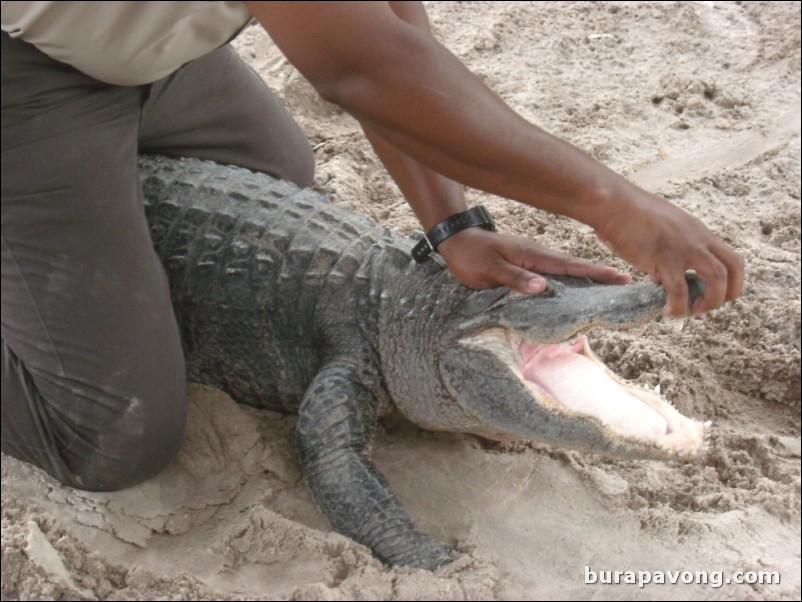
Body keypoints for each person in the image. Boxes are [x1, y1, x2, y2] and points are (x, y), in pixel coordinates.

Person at [1, 1, 743, 491]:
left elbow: (398, 35)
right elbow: (362, 69)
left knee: (274, 165)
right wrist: (611, 202)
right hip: (22, 67)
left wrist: (454, 227)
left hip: (121, 54)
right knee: (107, 433)